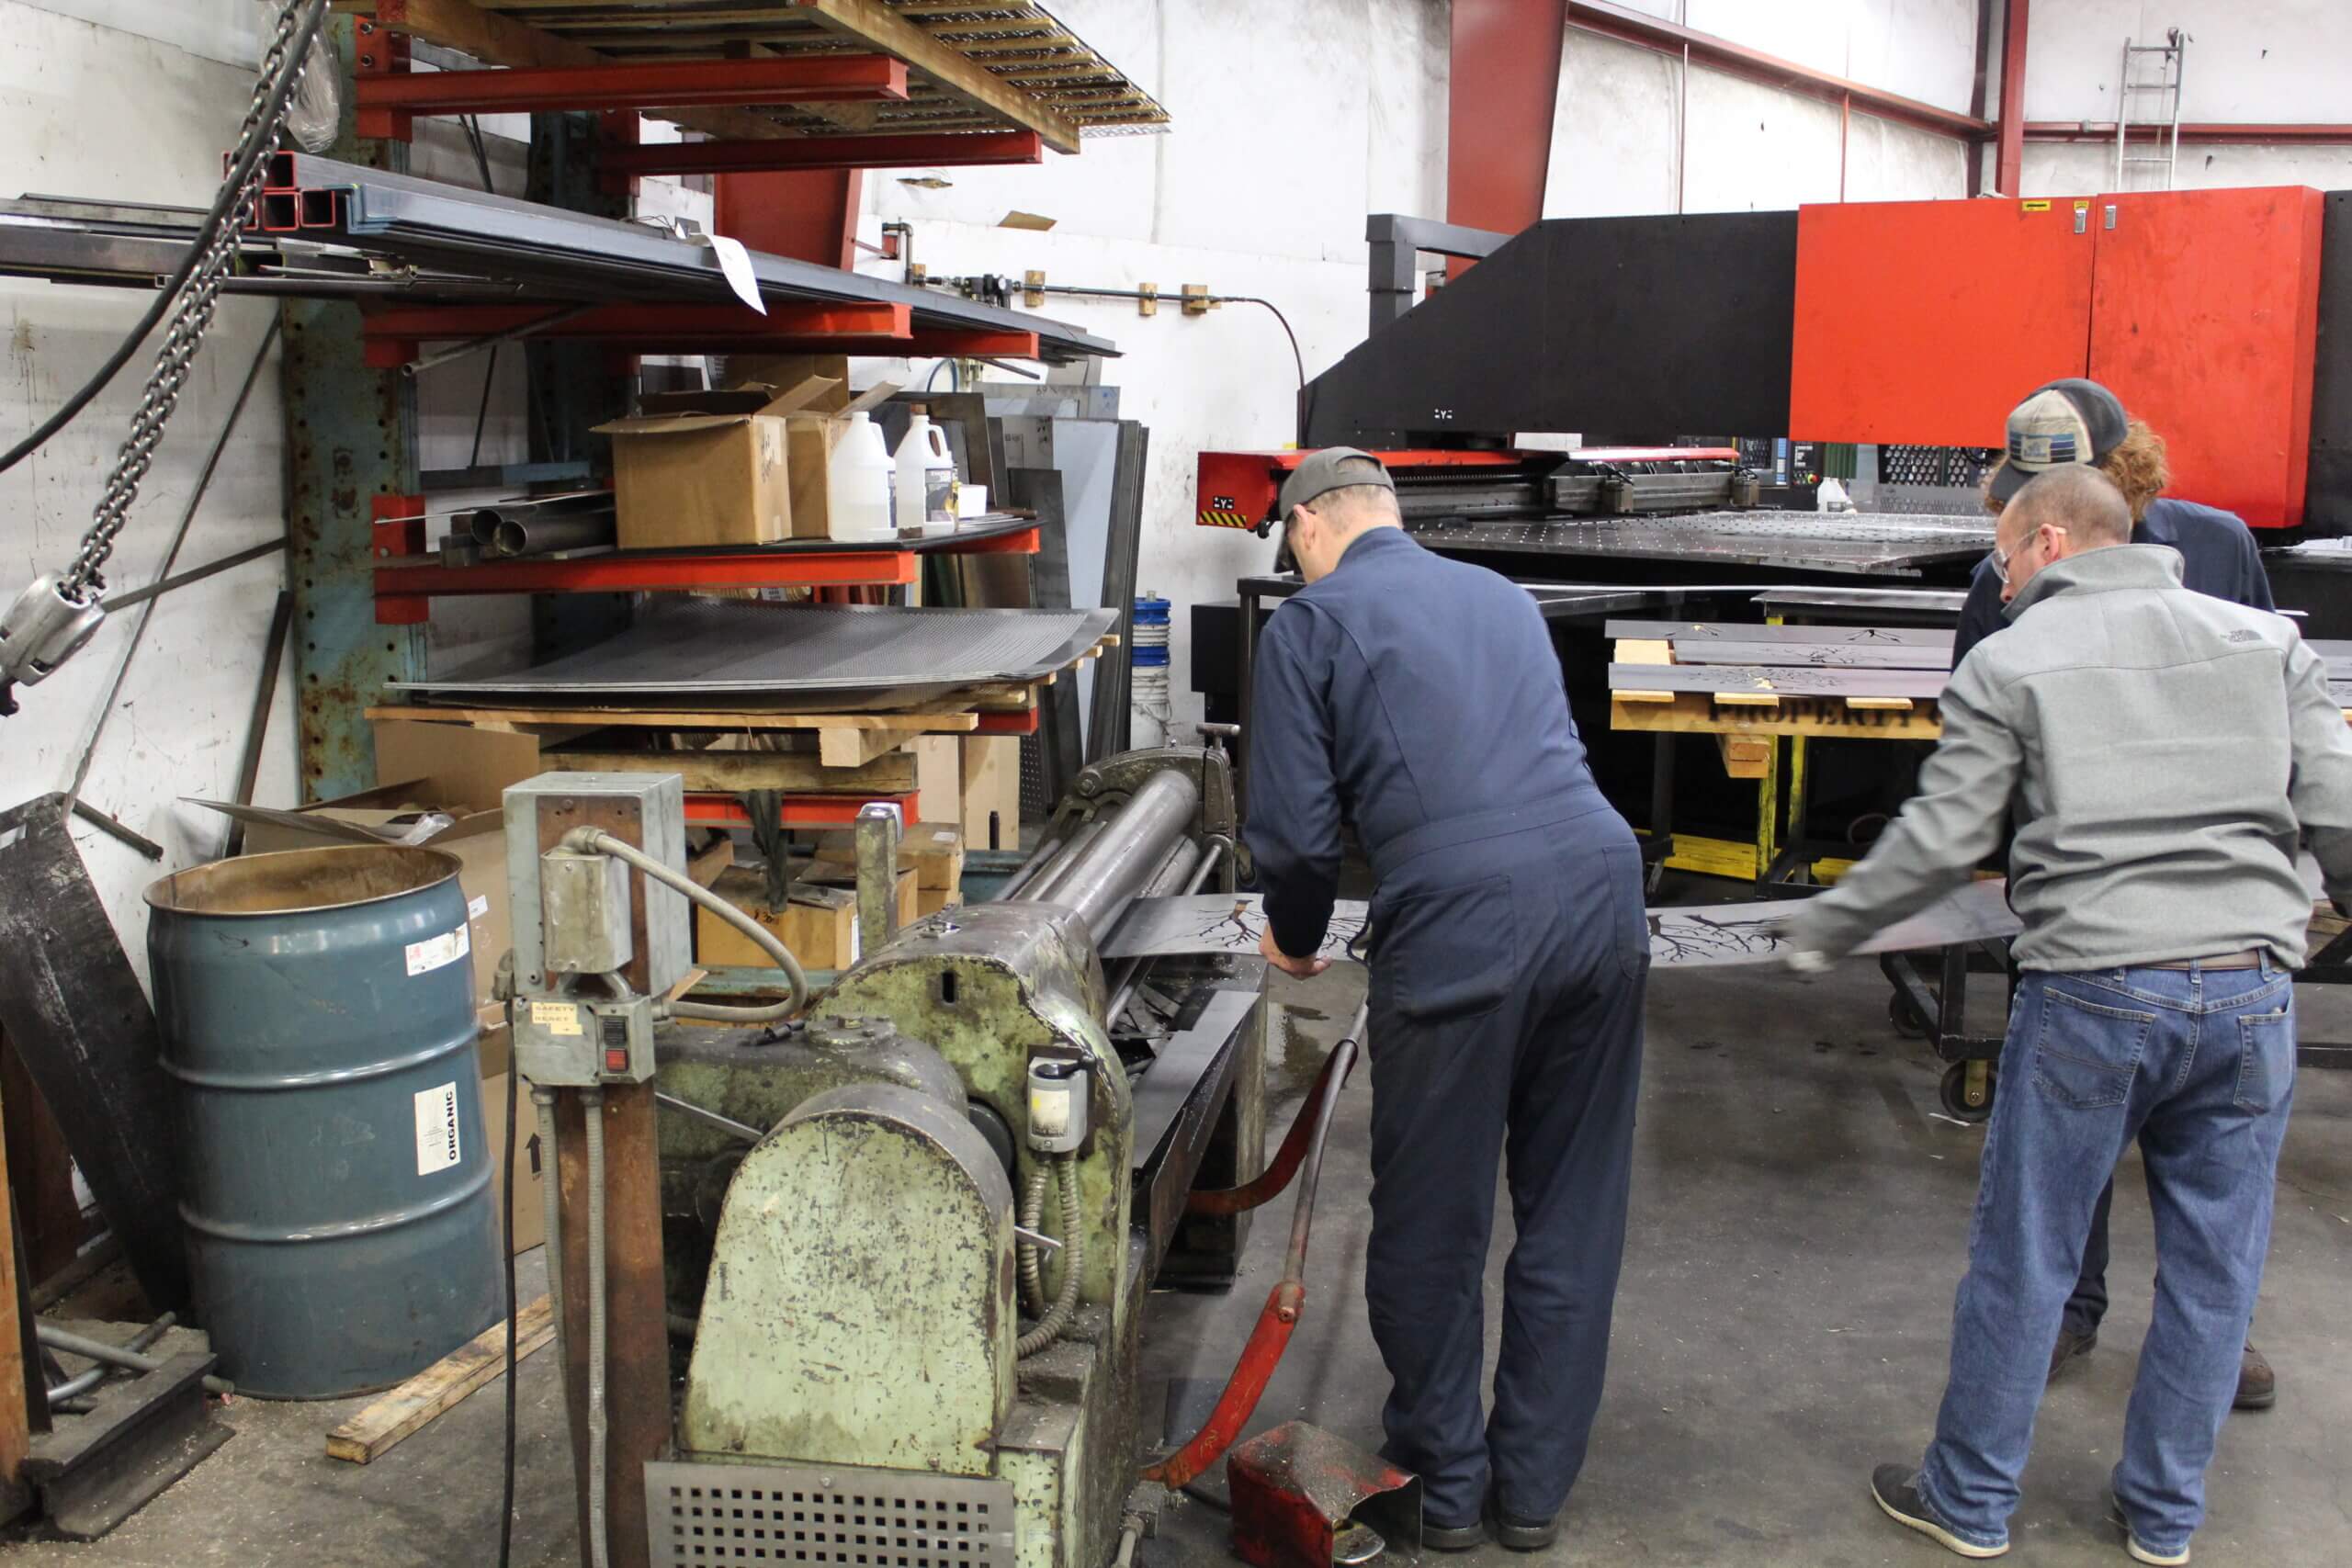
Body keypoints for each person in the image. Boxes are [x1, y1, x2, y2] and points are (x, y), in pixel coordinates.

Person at [1784, 465, 2352, 1564]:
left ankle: (1968, 1499)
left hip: (2097, 990)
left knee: (2029, 1252)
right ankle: (2164, 1516)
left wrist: (1828, 928)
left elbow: (1944, 837)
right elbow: (2337, 812)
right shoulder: (2264, 641)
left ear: (2048, 542)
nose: (1996, 583)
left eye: (2000, 558)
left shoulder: (2012, 659)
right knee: (2215, 1270)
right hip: (2249, 992)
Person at [1245, 448, 1649, 1552]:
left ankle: (1446, 1487)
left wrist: (1293, 937)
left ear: (1309, 527)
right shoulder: (1501, 596)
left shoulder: (1310, 623)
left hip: (1464, 921)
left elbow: (1296, 834)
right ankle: (1534, 1493)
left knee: (1433, 1214)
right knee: (1573, 1209)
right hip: (1603, 894)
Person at [1952, 379, 2279, 1408]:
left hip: (2210, 905)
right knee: (2064, 1145)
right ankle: (2070, 1309)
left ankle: (2214, 1338)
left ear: (2117, 473)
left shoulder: (2216, 549)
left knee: (2210, 1178)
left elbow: (2266, 701)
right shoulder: (2003, 570)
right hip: (2083, 912)